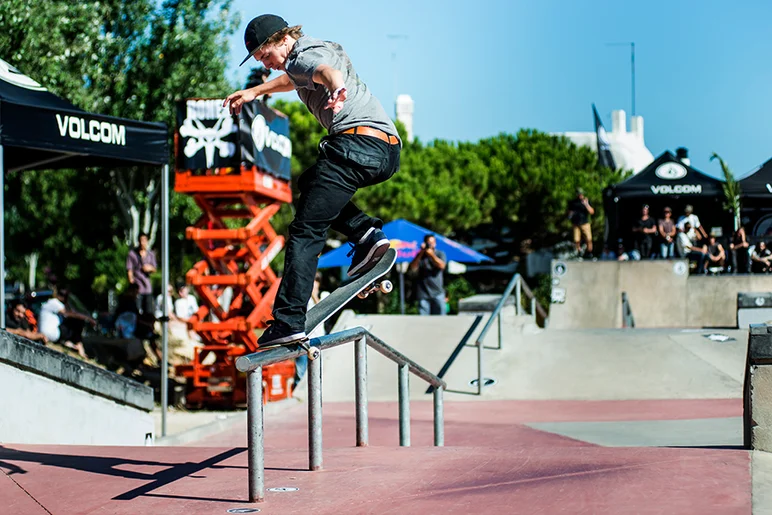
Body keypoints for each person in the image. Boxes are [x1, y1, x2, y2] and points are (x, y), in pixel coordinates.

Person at [224, 14, 401, 346]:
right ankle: (366, 234)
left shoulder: (303, 55)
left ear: (281, 40)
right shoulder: (303, 57)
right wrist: (256, 91)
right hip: (384, 150)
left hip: (356, 144)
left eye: (266, 56)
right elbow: (295, 79)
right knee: (310, 184)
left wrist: (335, 87)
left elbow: (322, 72)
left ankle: (288, 319)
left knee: (305, 231)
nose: (268, 64)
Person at [293, 273, 328, 389]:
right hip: (304, 339)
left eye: (315, 284)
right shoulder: (303, 299)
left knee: (317, 369)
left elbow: (322, 309)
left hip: (318, 339)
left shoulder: (324, 295)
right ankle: (299, 392)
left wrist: (313, 295)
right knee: (301, 371)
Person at [38, 288, 95, 358]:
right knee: (78, 321)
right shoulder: (55, 302)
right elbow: (72, 314)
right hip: (51, 334)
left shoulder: (50, 302)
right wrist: (89, 319)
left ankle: (74, 344)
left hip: (48, 333)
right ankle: (79, 347)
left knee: (74, 321)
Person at [409, 234, 447, 315]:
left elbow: (442, 265)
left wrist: (432, 255)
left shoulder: (440, 254)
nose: (430, 245)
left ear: (435, 243)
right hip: (423, 293)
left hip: (438, 292)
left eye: (432, 243)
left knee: (441, 319)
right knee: (424, 321)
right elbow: (413, 267)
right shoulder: (420, 256)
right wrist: (421, 253)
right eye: (428, 243)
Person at [126, 232, 157, 315]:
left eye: (144, 240)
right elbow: (129, 269)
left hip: (147, 286)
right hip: (137, 287)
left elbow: (154, 268)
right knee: (136, 311)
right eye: (141, 240)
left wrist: (149, 268)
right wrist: (132, 282)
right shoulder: (132, 254)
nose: (142, 242)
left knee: (148, 311)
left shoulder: (150, 254)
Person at [567, 188, 594, 258]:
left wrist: (586, 204)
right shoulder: (573, 203)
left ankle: (589, 252)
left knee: (588, 239)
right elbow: (569, 213)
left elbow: (592, 212)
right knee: (576, 239)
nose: (580, 195)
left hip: (585, 223)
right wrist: (570, 215)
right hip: (576, 223)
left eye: (581, 194)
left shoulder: (586, 201)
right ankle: (578, 252)